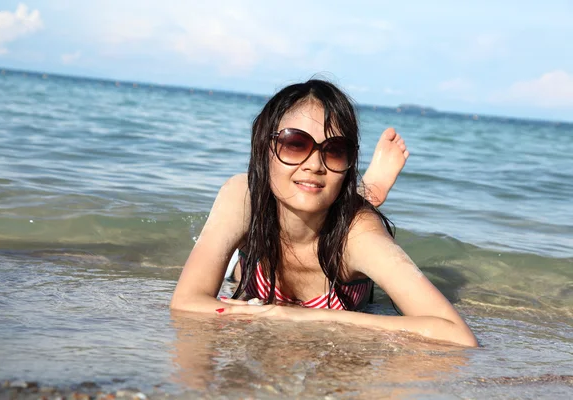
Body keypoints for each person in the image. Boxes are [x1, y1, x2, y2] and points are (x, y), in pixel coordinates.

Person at [170, 79, 478, 347]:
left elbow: (455, 335)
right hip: (260, 250)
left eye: (334, 150)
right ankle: (366, 190)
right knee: (239, 269)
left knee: (349, 213)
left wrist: (296, 317)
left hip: (338, 244)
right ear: (264, 148)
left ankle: (363, 196)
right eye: (295, 144)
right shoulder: (243, 196)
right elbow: (186, 302)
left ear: (348, 163)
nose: (315, 164)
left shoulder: (359, 236)